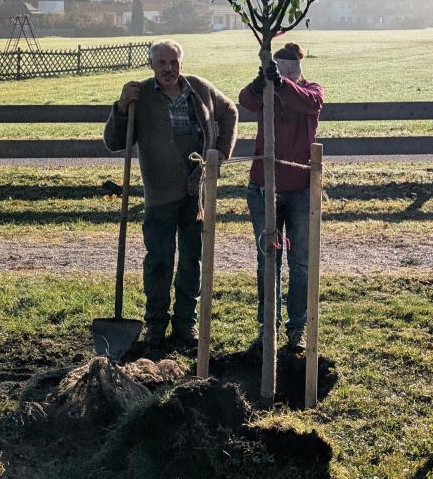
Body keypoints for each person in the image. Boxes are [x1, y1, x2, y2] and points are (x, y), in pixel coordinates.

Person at [104, 39, 237, 350]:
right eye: (161, 63)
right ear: (152, 66)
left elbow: (229, 111)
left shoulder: (199, 89)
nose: (168, 69)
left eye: (173, 62)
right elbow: (113, 142)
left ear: (181, 63)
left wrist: (219, 155)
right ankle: (155, 324)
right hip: (160, 193)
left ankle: (185, 324)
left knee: (192, 259)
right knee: (159, 261)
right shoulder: (142, 97)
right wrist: (121, 108)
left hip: (195, 192)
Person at [238, 42, 323, 351]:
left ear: (299, 71)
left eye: (290, 71)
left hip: (301, 189)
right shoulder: (265, 94)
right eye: (278, 69)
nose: (284, 75)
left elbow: (309, 103)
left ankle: (296, 328)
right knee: (267, 260)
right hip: (263, 188)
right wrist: (260, 83)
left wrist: (281, 83)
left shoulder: (311, 90)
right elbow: (245, 100)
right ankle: (268, 327)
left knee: (300, 262)